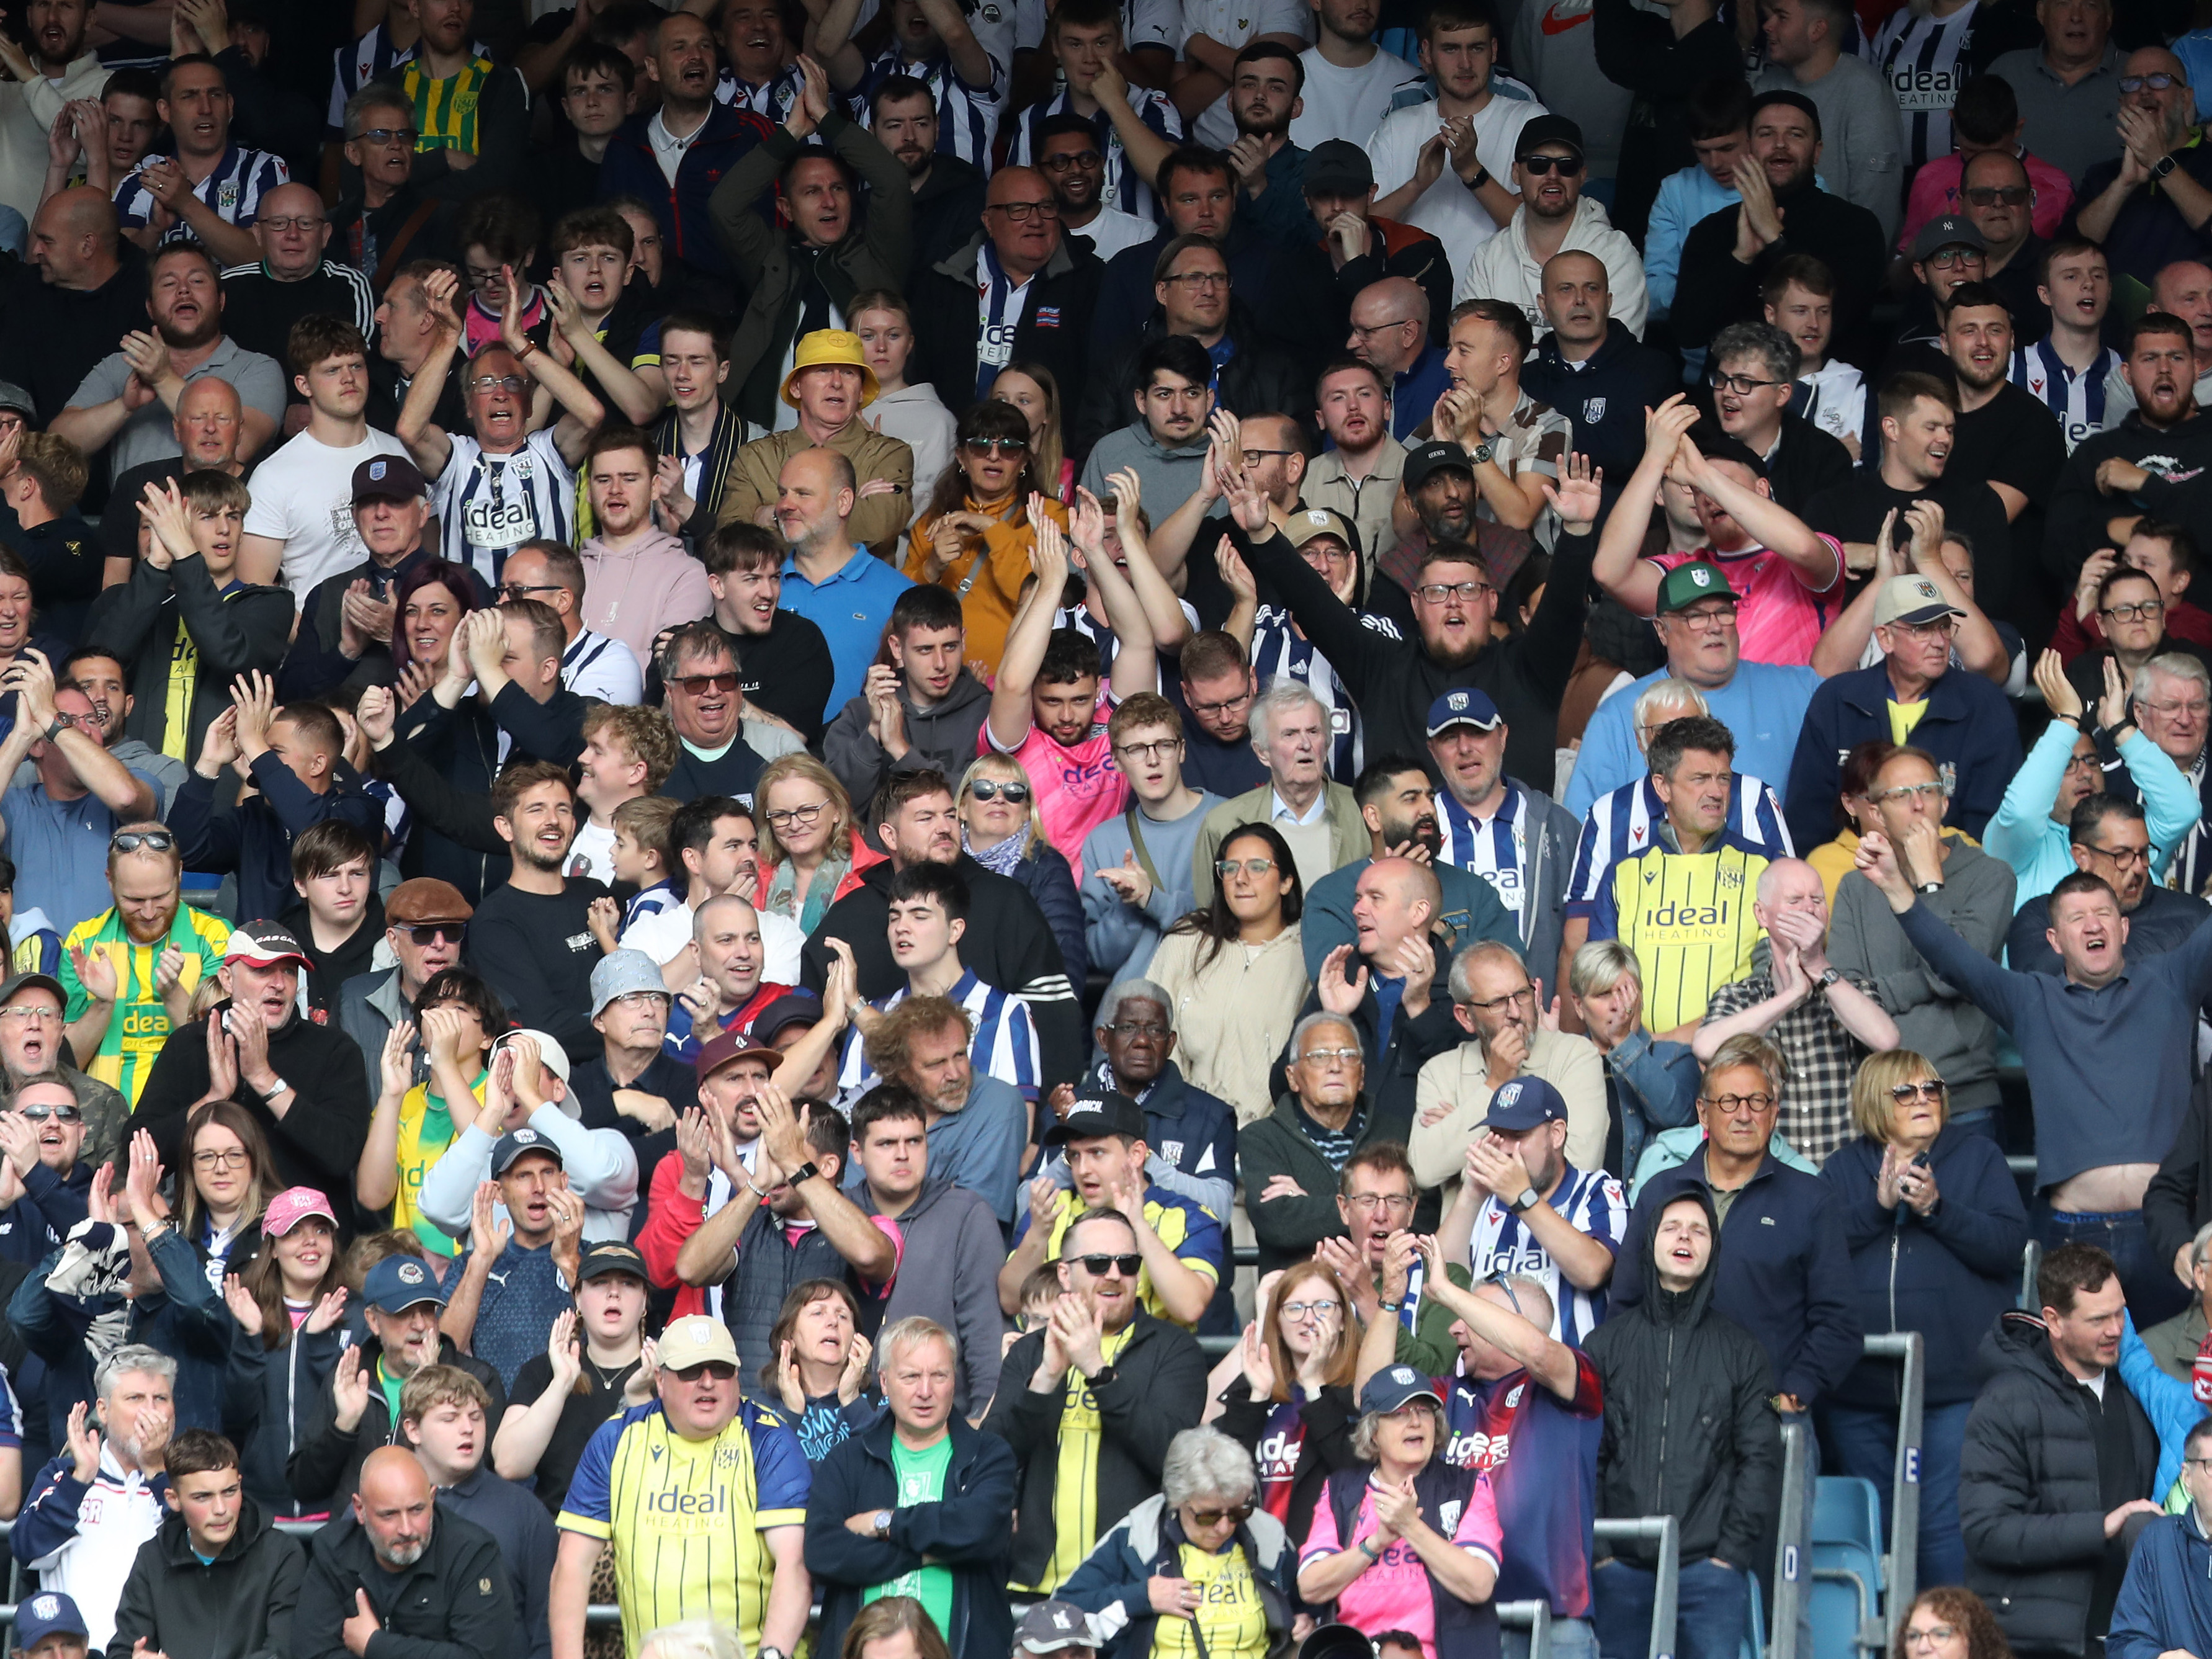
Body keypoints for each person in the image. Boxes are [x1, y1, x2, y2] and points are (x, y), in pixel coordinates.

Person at [1856, 826, 2212, 1323]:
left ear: (2123, 929)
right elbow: (1953, 961)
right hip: (2072, 1235)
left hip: (2167, 1229)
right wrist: (1897, 888)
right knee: (2073, 1388)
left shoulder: (2171, 980)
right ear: (2054, 939)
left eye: (2104, 914)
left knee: (2177, 1379)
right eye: (2077, 917)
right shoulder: (2029, 999)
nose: (2094, 925)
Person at [1822, 1049, 2030, 1591]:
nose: (1923, 1100)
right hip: (1857, 1392)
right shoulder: (1844, 1168)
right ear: (1875, 1100)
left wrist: (1938, 1210)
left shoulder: (1976, 1157)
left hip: (1951, 1389)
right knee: (1874, 1536)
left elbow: (2007, 1246)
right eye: (1906, 1092)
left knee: (1941, 1531)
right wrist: (1875, 1206)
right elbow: (1813, 1255)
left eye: (1931, 1089)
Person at [1612, 1033, 1861, 1454]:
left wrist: (1792, 1396)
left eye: (1757, 1102)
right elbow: (1624, 1306)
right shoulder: (1659, 1193)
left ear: (1774, 1112)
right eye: (1728, 1102)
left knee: (1770, 1523)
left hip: (1768, 1425)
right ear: (1702, 1114)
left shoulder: (1811, 1200)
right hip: (1667, 1422)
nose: (1743, 1114)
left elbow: (1840, 1322)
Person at [1584, 1189, 1781, 1659]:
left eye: (1698, 1229)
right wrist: (1602, 1553)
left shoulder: (1741, 1350)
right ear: (1650, 1241)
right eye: (1672, 1227)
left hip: (1707, 1572)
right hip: (1619, 1570)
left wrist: (1728, 1556)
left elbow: (1759, 1458)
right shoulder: (1604, 1345)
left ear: (1713, 1248)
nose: (1684, 1237)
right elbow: (1584, 1457)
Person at [551, 1313, 811, 1659]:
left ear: (736, 1376)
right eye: (690, 1371)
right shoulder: (615, 1439)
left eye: (720, 1369)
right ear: (659, 1379)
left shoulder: (770, 1440)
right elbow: (572, 1565)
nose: (707, 1382)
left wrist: (773, 1655)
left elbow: (794, 1563)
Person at [983, 1202, 1209, 1597]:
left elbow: (1173, 1457)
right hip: (1033, 1584)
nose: (1115, 1275)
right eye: (1099, 1263)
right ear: (1065, 1273)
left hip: (1137, 1584)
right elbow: (992, 1459)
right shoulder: (1030, 1353)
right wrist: (1047, 1377)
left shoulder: (1175, 1348)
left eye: (1128, 1263)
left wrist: (1097, 1371)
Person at [1960, 1244, 2164, 1655]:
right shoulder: (2006, 1401)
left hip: (2133, 1634)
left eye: (2119, 1312)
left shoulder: (2139, 1392)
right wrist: (2102, 1526)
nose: (2115, 1330)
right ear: (2052, 1320)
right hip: (2036, 1639)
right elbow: (1986, 1531)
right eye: (2097, 1319)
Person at [1826, 745, 2018, 1140]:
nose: (1917, 805)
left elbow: (1953, 977)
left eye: (1928, 791)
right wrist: (1922, 982)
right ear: (1876, 814)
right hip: (1880, 1101)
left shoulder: (1991, 876)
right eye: (1901, 796)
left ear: (1944, 803)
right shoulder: (1856, 887)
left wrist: (1931, 882)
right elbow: (1848, 995)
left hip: (1963, 1097)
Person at [802, 1315, 1017, 1659]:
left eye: (939, 1376)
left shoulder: (988, 1455)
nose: (925, 1391)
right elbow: (824, 1552)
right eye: (911, 1376)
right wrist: (932, 1552)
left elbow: (980, 1529)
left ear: (953, 1381)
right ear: (884, 1382)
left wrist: (883, 1523)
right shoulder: (848, 1458)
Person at [1785, 571, 2023, 850]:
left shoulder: (1983, 704)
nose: (1939, 642)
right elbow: (1808, 817)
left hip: (1952, 874)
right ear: (1885, 638)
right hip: (1850, 874)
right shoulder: (1837, 700)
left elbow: (1991, 824)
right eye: (1922, 629)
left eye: (1945, 627)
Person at [1694, 858, 1900, 1167]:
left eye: (1817, 900)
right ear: (1761, 914)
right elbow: (1705, 1047)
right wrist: (1791, 995)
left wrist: (1818, 967)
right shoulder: (1739, 996)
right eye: (1795, 901)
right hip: (1770, 1187)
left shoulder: (1854, 991)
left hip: (1844, 1181)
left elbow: (1887, 1040)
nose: (1808, 909)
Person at [1295, 1363, 1504, 1656]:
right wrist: (1374, 1545)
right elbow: (1311, 1586)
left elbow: (1479, 1585)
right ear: (1373, 1432)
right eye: (1399, 1414)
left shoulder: (1467, 1485)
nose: (1416, 1422)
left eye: (1424, 1411)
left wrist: (1410, 1526)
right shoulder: (1342, 1490)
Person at [1670, 91, 1887, 364]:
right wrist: (1740, 258)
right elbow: (1687, 332)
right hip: (1735, 393)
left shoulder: (1856, 225)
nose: (1780, 144)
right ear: (1748, 148)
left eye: (1795, 134)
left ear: (1817, 151)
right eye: (1766, 134)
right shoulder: (1712, 229)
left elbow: (1838, 319)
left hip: (1828, 395)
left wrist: (1775, 238)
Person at [1059, 1426, 1297, 1659]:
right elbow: (1061, 1610)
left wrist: (1303, 1621)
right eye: (1208, 1516)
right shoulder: (1137, 1536)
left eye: (1237, 1513)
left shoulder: (1267, 1536)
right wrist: (1140, 1597)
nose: (1223, 1527)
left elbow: (1306, 1603)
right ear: (1178, 1501)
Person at [49, 245, 286, 479]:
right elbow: (57, 445)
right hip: (135, 515)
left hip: (217, 516)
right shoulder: (121, 365)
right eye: (169, 284)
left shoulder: (257, 368)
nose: (184, 291)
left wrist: (162, 379)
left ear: (221, 301)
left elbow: (240, 446)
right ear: (150, 308)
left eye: (197, 281)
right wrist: (124, 406)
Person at [1432, 1073, 1627, 1344]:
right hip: (1489, 1379)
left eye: (1519, 1135)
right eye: (1498, 1135)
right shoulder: (1485, 1201)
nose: (1508, 1149)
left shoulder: (1598, 1190)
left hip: (1568, 1374)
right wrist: (1471, 1194)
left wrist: (1522, 1198)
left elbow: (1592, 1270)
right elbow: (1442, 1283)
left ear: (1556, 1134)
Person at [1147, 823, 1312, 1125]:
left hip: (1272, 1133)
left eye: (1258, 867)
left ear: (1286, 882)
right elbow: (1151, 1028)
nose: (1241, 879)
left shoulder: (1309, 953)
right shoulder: (1187, 940)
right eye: (1230, 868)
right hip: (1184, 1126)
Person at [57, 822, 230, 1107]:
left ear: (179, 875)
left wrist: (173, 993)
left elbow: (220, 1054)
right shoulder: (84, 941)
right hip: (103, 1119)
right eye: (134, 900)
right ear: (110, 880)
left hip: (187, 1114)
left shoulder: (214, 937)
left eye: (160, 897)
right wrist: (102, 1004)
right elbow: (66, 1063)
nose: (149, 912)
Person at [292, 1446, 510, 1659]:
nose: (406, 1529)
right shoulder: (334, 1551)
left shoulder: (472, 1552)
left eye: (417, 1510)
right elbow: (312, 1652)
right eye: (389, 1515)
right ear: (360, 1510)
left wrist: (374, 1645)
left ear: (432, 1499)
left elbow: (481, 1654)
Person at [110, 1427, 303, 1659]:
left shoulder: (281, 1554)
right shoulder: (152, 1558)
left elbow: (284, 1652)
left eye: (230, 1492)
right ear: (173, 1499)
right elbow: (123, 1649)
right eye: (203, 1497)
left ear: (241, 1484)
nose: (221, 1509)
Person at [492, 1240, 653, 1513]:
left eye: (628, 1283)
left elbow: (680, 1470)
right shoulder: (543, 1371)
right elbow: (509, 1465)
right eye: (600, 1282)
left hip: (646, 1533)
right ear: (578, 1297)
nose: (614, 1293)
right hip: (560, 1535)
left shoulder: (669, 1373)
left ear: (644, 1301)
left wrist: (642, 1398)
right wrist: (560, 1385)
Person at [1238, 1014, 1400, 1276]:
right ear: (1293, 1077)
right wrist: (1377, 1209)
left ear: (1361, 1075)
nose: (1335, 1066)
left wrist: (1309, 1201)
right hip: (1299, 1298)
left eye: (1348, 1055)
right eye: (1319, 1056)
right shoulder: (1261, 1138)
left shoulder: (1395, 1133)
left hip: (1385, 1289)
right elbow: (1279, 1223)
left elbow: (1419, 1216)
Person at [1078, 694, 1222, 985]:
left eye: (1164, 745)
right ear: (1117, 761)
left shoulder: (1227, 820)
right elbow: (1099, 958)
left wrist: (1152, 899)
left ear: (1182, 751)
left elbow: (1237, 927)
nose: (1153, 760)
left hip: (1210, 1001)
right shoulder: (1103, 840)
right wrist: (1128, 900)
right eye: (1136, 750)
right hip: (1135, 1013)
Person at [1191, 681, 1365, 903]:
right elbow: (1210, 918)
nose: (1305, 744)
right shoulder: (1222, 825)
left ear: (1328, 743)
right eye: (1290, 734)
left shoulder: (1364, 814)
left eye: (1313, 731)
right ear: (1262, 753)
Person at [1755, 0, 1906, 239]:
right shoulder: (1765, 87)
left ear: (1817, 29)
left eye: (1781, 17)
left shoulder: (1865, 91)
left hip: (1839, 262)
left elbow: (1876, 203)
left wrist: (1857, 267)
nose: (1767, 26)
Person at [1987, 0, 2125, 189]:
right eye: (2063, 4)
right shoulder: (2006, 72)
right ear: (2041, 13)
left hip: (2117, 215)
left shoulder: (2138, 77)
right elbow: (1969, 155)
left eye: (2090, 5)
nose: (2076, 17)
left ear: (2109, 18)